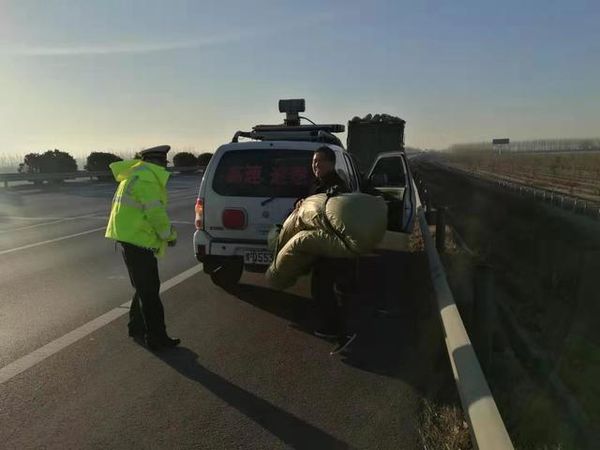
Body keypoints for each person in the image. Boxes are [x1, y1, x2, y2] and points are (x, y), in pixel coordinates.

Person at [105, 145, 180, 351]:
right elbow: (155, 214)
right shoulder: (147, 179)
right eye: (163, 163)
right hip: (139, 240)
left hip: (128, 238)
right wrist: (169, 236)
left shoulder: (133, 174)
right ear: (156, 162)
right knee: (150, 292)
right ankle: (157, 338)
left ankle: (136, 326)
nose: (165, 168)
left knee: (143, 286)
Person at [298, 146, 357, 354]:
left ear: (331, 163)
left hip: (332, 247)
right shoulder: (319, 184)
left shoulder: (335, 187)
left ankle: (340, 333)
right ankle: (336, 329)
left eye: (320, 161)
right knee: (326, 288)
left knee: (325, 288)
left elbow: (333, 214)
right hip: (323, 245)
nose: (316, 165)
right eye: (314, 162)